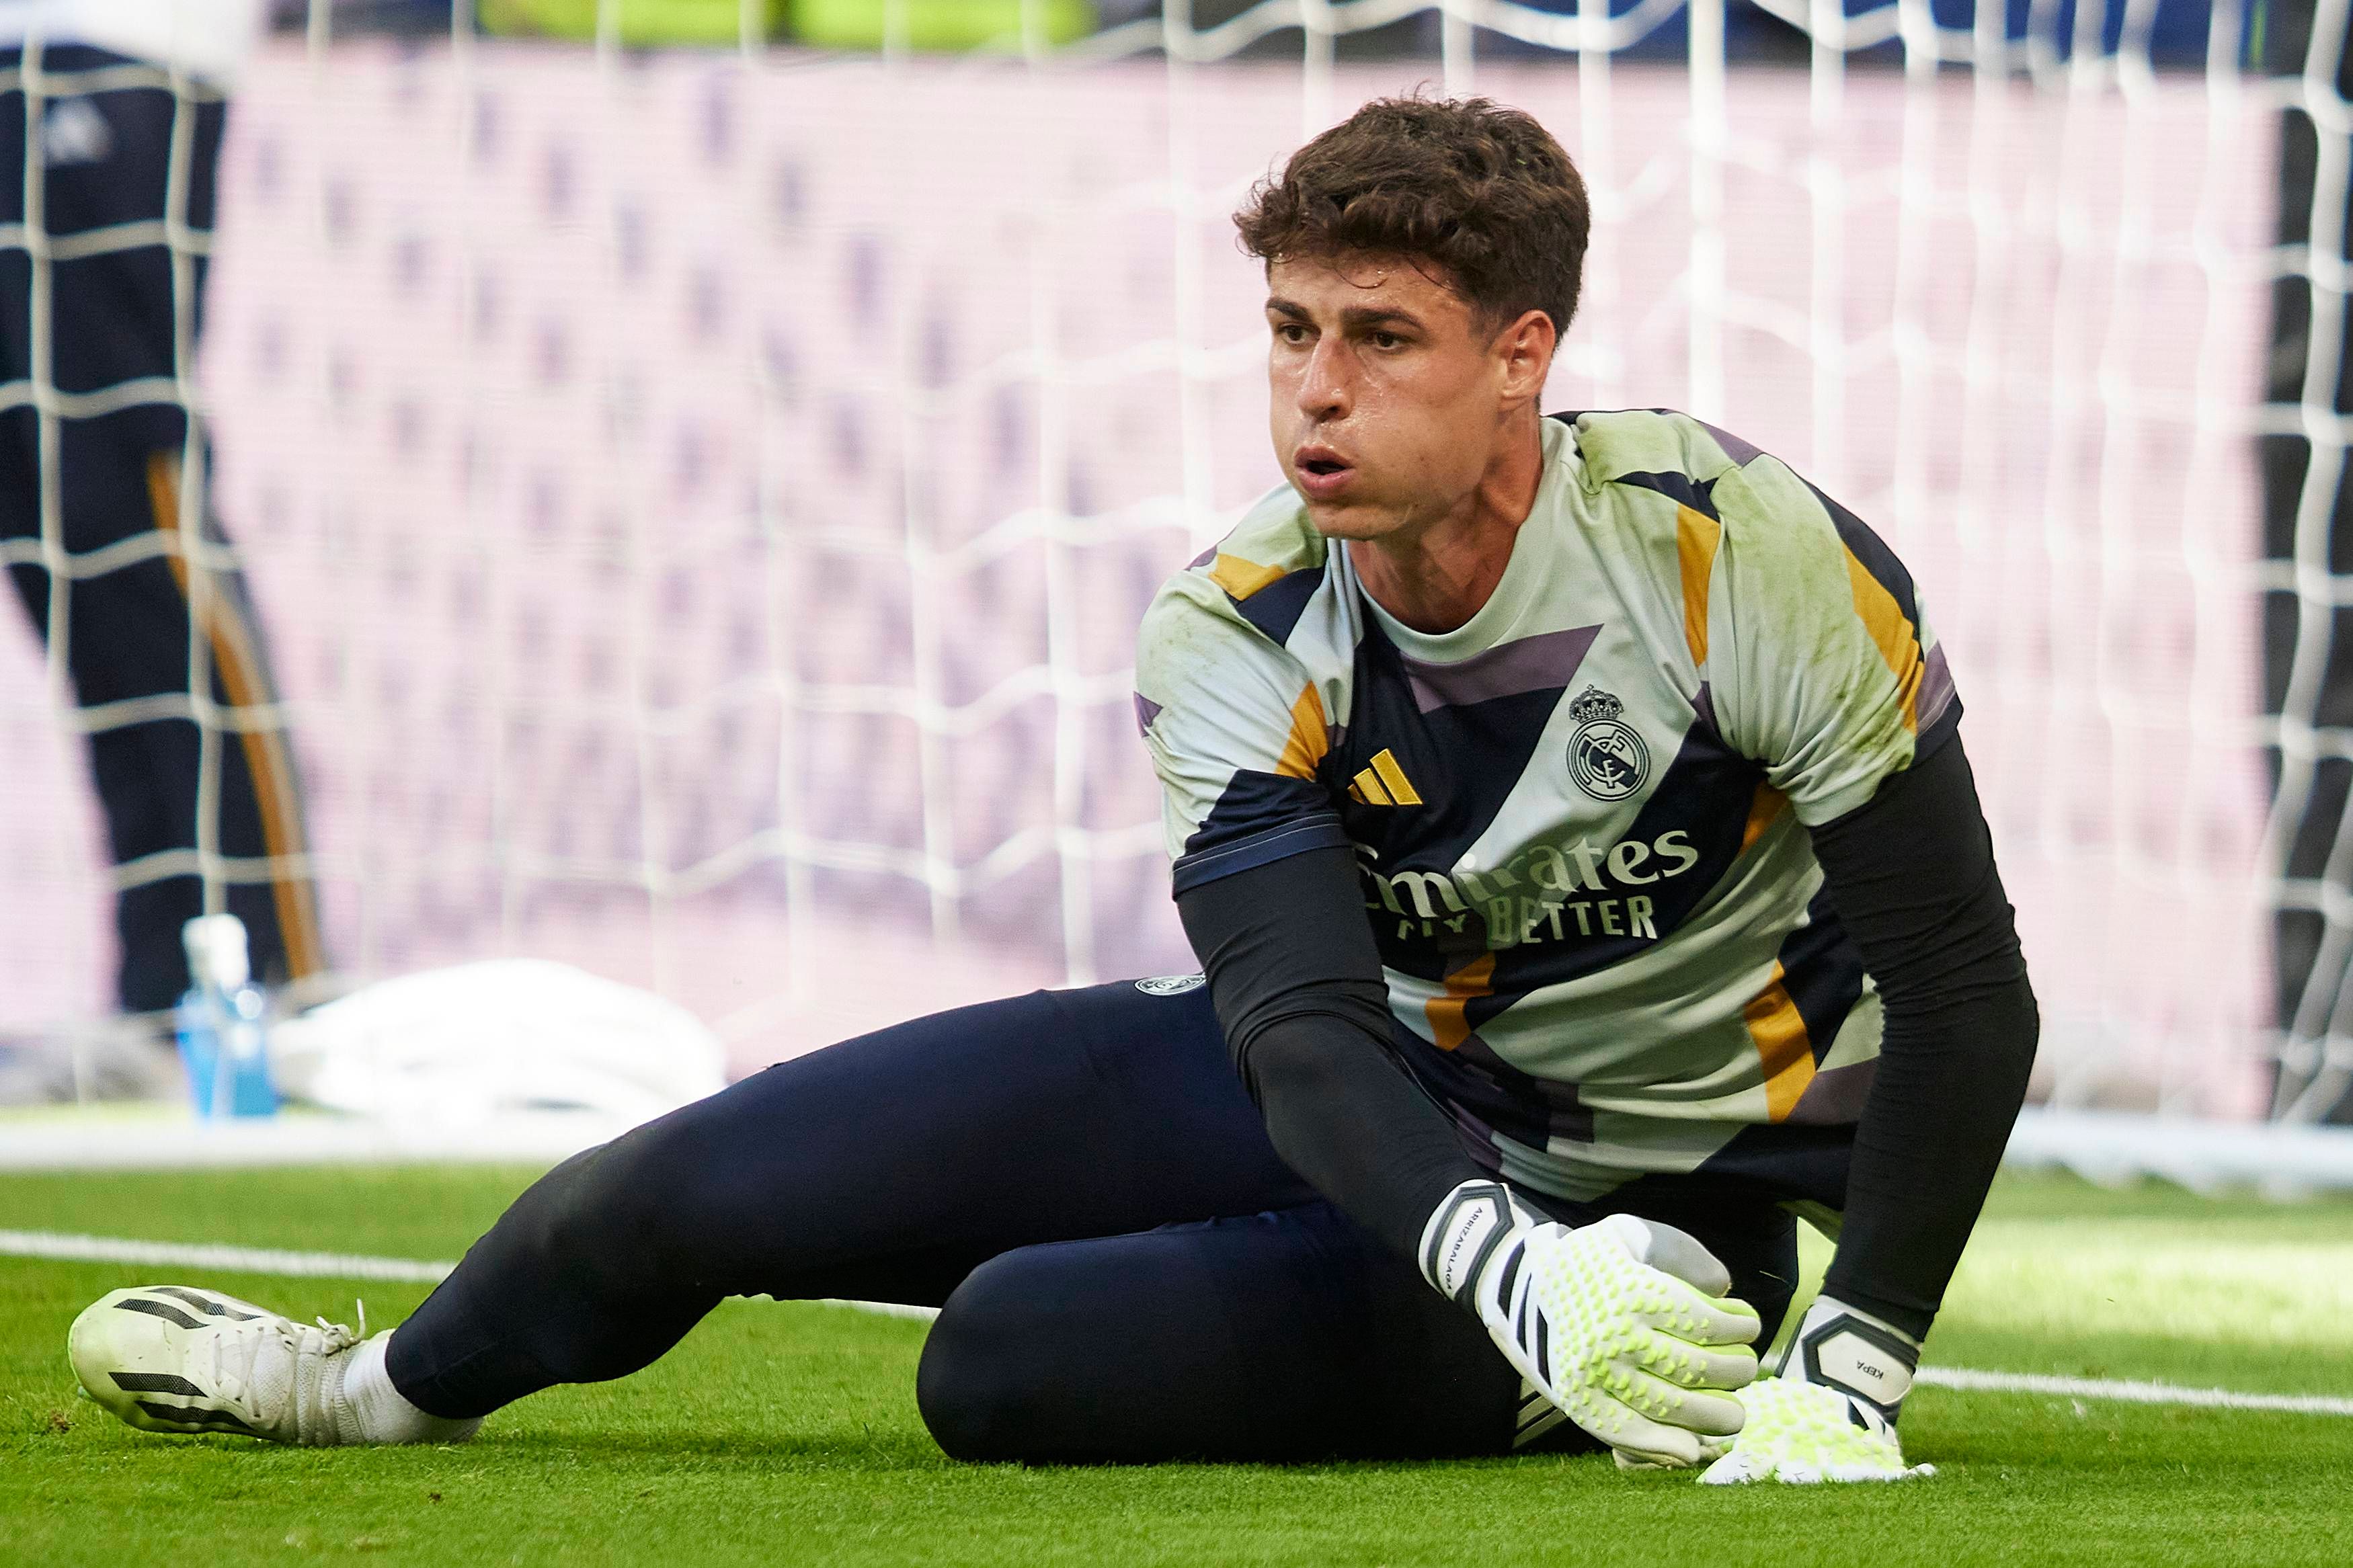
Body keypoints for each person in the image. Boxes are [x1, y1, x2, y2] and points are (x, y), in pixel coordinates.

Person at [65, 95, 2036, 1483]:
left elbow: (1962, 989)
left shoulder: (1734, 556)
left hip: (1657, 1210)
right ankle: (364, 1393)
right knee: (682, 1182)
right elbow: (1297, 1029)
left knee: (1005, 1357)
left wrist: (1852, 1359)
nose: (1314, 391)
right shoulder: (1233, 627)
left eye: (1380, 340)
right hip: (1382, 1104)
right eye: (1290, 332)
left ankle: (1620, 1359)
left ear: (1522, 357)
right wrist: (1495, 1265)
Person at [0, 1, 327, 1046]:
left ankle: (265, 969)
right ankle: (159, 974)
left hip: (115, 44)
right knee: (37, 526)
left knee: (128, 508)